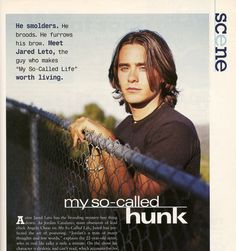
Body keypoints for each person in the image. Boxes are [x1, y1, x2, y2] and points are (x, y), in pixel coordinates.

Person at [70, 30, 200, 199]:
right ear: (116, 76)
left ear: (162, 74)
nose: (132, 78)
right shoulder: (125, 126)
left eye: (143, 67)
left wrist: (108, 142)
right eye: (124, 68)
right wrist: (97, 151)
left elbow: (134, 206)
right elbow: (100, 200)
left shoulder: (175, 129)